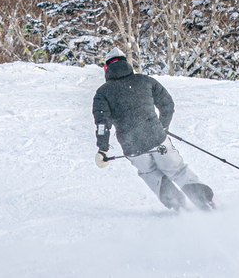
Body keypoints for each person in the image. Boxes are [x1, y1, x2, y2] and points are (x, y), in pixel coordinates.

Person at [92, 46, 214, 211]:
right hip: (157, 139)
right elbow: (167, 104)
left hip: (133, 147)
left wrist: (103, 149)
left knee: (150, 174)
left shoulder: (102, 93)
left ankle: (178, 206)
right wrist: (162, 126)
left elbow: (102, 124)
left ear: (106, 68)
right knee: (177, 170)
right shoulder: (145, 81)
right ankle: (204, 202)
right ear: (127, 64)